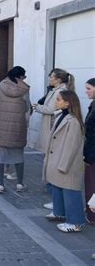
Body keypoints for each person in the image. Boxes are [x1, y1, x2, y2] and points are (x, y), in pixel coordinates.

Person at [43, 90, 85, 232]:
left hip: (66, 163)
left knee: (70, 191)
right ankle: (59, 213)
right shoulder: (62, 115)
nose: (57, 101)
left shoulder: (73, 121)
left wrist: (63, 165)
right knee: (57, 188)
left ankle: (75, 222)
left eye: (59, 99)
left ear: (68, 103)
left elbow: (71, 146)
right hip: (57, 160)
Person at [0, 66, 30, 194]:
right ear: (21, 76)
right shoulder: (24, 89)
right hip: (17, 127)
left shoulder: (0, 85)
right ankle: (19, 183)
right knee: (18, 156)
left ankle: (0, 184)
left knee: (0, 157)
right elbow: (27, 108)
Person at [33, 68, 73, 153]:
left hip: (52, 124)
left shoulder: (60, 92)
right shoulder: (56, 90)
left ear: (58, 79)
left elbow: (51, 109)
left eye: (51, 77)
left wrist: (38, 107)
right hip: (52, 123)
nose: (49, 79)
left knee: (51, 151)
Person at [84, 78, 95, 225]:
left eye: (88, 88)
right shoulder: (93, 104)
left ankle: (92, 215)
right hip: (91, 151)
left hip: (93, 153)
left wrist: (89, 155)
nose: (85, 91)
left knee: (91, 184)